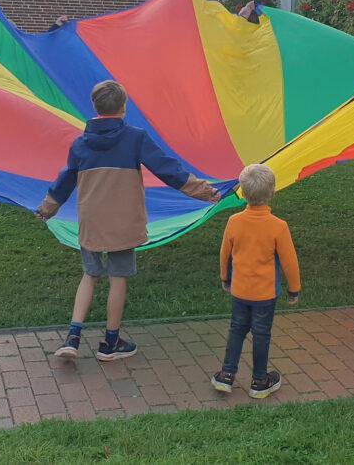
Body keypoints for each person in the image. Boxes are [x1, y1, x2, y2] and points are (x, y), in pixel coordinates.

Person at [38, 80, 220, 362]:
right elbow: (166, 168)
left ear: (95, 107)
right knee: (118, 279)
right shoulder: (135, 138)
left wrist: (48, 208)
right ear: (123, 108)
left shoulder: (81, 144)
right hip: (123, 221)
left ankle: (73, 338)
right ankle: (111, 343)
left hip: (92, 221)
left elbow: (65, 180)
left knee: (90, 275)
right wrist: (203, 191)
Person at [211, 164, 300, 399]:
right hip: (265, 295)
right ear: (272, 193)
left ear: (242, 192)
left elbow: (225, 254)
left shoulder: (234, 221)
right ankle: (259, 380)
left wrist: (225, 278)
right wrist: (294, 289)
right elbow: (290, 262)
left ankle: (226, 375)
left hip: (240, 291)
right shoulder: (279, 227)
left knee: (237, 329)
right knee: (262, 334)